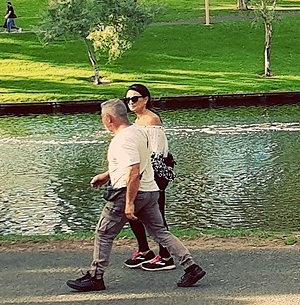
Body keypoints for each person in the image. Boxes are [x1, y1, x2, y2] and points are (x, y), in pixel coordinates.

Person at [66, 98, 205, 292]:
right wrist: (106, 176)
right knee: (161, 232)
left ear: (108, 118)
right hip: (150, 191)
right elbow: (136, 162)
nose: (102, 121)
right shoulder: (138, 132)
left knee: (104, 233)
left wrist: (129, 203)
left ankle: (96, 277)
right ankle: (191, 267)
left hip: (127, 192)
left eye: (102, 117)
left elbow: (133, 170)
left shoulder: (122, 139)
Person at [122, 84, 176, 272]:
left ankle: (166, 256)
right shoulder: (137, 121)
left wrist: (142, 175)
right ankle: (144, 250)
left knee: (156, 216)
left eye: (134, 98)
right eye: (127, 99)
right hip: (142, 175)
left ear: (145, 99)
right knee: (132, 210)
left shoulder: (152, 121)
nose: (130, 102)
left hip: (154, 176)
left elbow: (157, 153)